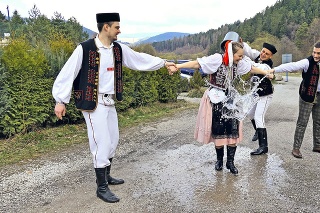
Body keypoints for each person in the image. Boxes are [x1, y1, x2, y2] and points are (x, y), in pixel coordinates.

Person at [52, 12, 175, 203]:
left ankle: (107, 176)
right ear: (106, 27)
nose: (120, 30)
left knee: (113, 140)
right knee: (101, 142)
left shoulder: (118, 49)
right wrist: (60, 100)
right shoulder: (84, 48)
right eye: (117, 26)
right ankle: (101, 188)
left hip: (109, 102)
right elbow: (68, 72)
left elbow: (139, 59)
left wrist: (164, 63)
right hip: (92, 103)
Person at [169, 33, 274, 175]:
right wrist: (178, 66)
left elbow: (251, 68)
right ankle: (219, 160)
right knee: (218, 131)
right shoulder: (216, 59)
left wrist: (265, 72)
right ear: (231, 53)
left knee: (233, 130)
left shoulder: (239, 63)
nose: (241, 58)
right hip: (215, 98)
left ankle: (230, 162)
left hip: (231, 99)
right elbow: (197, 63)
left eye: (242, 56)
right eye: (239, 56)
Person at [270, 42, 320, 158]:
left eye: (318, 53)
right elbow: (292, 66)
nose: (315, 55)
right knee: (302, 122)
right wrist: (274, 70)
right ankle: (296, 148)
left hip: (319, 96)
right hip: (307, 95)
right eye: (314, 52)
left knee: (318, 122)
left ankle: (317, 145)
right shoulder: (308, 62)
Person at [241, 40, 278, 155]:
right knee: (250, 114)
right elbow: (250, 51)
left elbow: (255, 66)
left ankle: (263, 147)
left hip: (265, 94)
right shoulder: (258, 55)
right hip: (256, 93)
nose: (263, 54)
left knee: (258, 117)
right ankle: (258, 130)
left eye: (266, 54)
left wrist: (243, 59)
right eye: (263, 51)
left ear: (270, 56)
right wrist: (241, 44)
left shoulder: (266, 65)